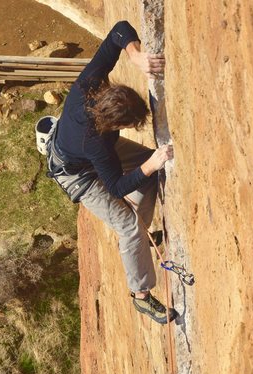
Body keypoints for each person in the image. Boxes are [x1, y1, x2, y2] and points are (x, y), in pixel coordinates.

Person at [47, 20, 177, 325]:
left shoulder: (89, 83)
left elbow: (119, 30)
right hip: (77, 174)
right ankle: (140, 295)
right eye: (130, 125)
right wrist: (151, 165)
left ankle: (140, 246)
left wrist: (135, 54)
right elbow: (117, 188)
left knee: (149, 170)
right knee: (129, 225)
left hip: (79, 149)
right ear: (116, 125)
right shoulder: (95, 144)